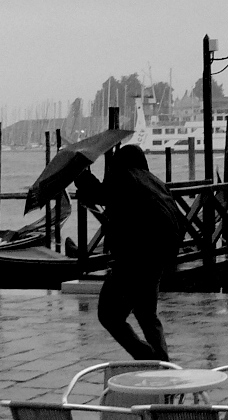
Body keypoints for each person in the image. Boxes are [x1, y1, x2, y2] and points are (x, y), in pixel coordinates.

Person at [74, 144, 183, 361]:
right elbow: (123, 210)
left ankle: (147, 356)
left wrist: (80, 175)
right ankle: (161, 362)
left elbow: (101, 194)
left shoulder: (124, 176)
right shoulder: (154, 181)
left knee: (108, 314)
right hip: (159, 254)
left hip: (134, 258)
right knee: (146, 314)